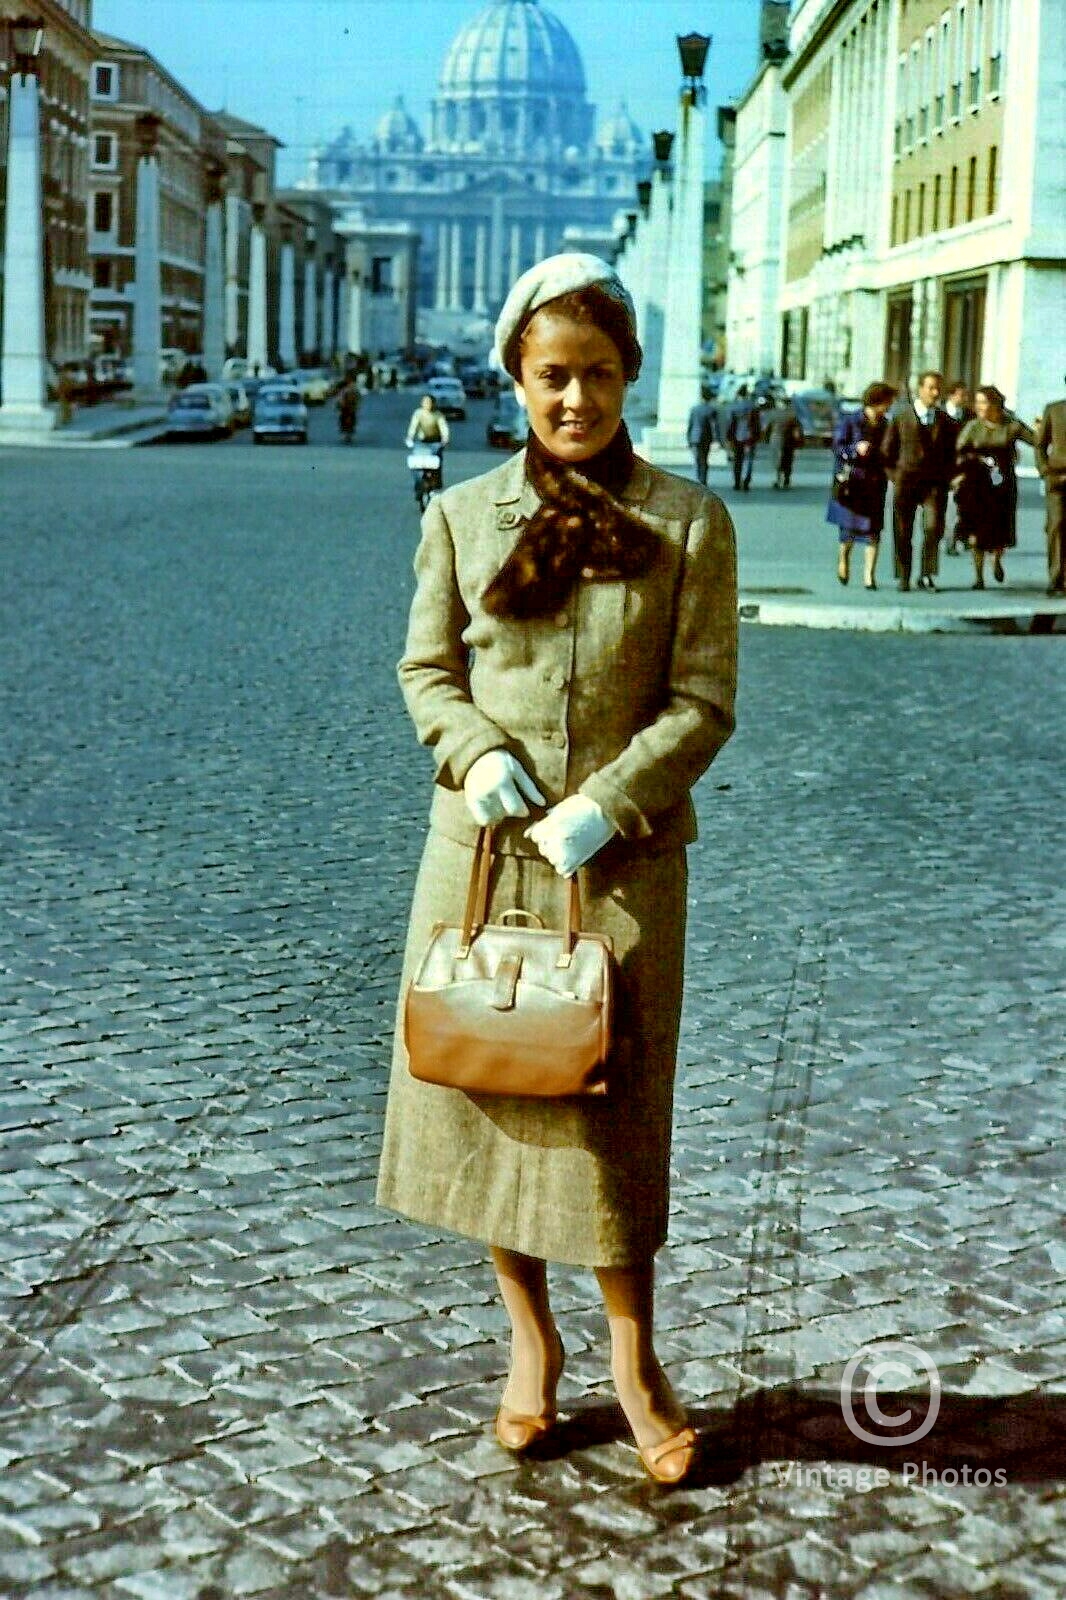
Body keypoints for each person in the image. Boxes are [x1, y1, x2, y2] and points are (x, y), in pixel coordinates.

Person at [376, 252, 738, 1487]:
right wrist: (472, 756)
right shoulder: (460, 516)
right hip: (480, 859)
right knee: (497, 1094)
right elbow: (428, 674)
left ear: (628, 372)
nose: (572, 400)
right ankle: (528, 1346)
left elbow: (702, 699)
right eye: (548, 378)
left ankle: (635, 1365)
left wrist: (613, 802)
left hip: (620, 870)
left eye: (593, 375)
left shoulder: (689, 522)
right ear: (514, 381)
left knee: (609, 1124)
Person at [953, 385, 1036, 589]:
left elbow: (1036, 440)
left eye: (984, 402)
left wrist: (1043, 428)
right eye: (978, 402)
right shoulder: (973, 427)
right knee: (975, 532)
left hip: (1002, 485)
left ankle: (997, 559)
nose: (979, 406)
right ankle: (978, 576)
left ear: (996, 404)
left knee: (999, 530)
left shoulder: (1011, 425)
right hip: (976, 485)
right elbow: (958, 451)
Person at [881, 370, 957, 592]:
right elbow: (887, 451)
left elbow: (953, 453)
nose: (935, 393)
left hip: (934, 485)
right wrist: (895, 476)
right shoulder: (901, 417)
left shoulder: (946, 421)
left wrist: (949, 476)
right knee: (903, 530)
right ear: (920, 389)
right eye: (931, 388)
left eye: (938, 389)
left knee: (933, 528)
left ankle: (926, 574)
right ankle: (904, 575)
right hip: (905, 482)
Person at [826, 382, 895, 590]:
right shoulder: (851, 421)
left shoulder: (886, 425)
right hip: (853, 483)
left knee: (873, 531)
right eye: (886, 403)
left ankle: (869, 576)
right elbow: (837, 446)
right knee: (848, 530)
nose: (888, 407)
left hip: (875, 484)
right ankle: (843, 560)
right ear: (876, 402)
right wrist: (855, 449)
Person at [1035, 381, 1066, 596]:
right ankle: (1055, 578)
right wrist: (1045, 470)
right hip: (1057, 479)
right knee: (1056, 526)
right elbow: (1039, 444)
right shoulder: (1053, 410)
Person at [943, 382, 975, 554]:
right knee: (948, 508)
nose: (964, 399)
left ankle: (958, 537)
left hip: (964, 468)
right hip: (944, 468)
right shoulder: (940, 413)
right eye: (961, 395)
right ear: (951, 395)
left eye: (965, 395)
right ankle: (950, 540)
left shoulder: (969, 416)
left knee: (963, 506)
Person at [726, 385, 761, 491]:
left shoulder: (733, 406)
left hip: (737, 437)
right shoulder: (752, 406)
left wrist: (728, 437)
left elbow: (729, 422)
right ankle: (746, 480)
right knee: (748, 460)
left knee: (737, 460)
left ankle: (737, 481)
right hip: (749, 437)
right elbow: (757, 422)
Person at [686, 384, 718, 485]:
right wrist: (716, 439)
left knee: (697, 460)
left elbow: (690, 425)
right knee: (704, 460)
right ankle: (703, 480)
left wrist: (688, 439)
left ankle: (699, 480)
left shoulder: (694, 409)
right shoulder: (711, 409)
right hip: (706, 438)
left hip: (694, 438)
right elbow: (714, 426)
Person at [769, 400, 803, 490]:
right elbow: (797, 428)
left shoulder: (775, 413)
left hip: (777, 438)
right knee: (788, 459)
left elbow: (769, 426)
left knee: (778, 459)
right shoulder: (792, 414)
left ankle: (779, 479)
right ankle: (786, 479)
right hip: (788, 440)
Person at [337, 376, 360, 444]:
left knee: (348, 419)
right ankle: (348, 433)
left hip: (348, 407)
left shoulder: (348, 390)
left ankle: (348, 433)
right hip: (347, 408)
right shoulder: (348, 390)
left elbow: (357, 398)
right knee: (346, 419)